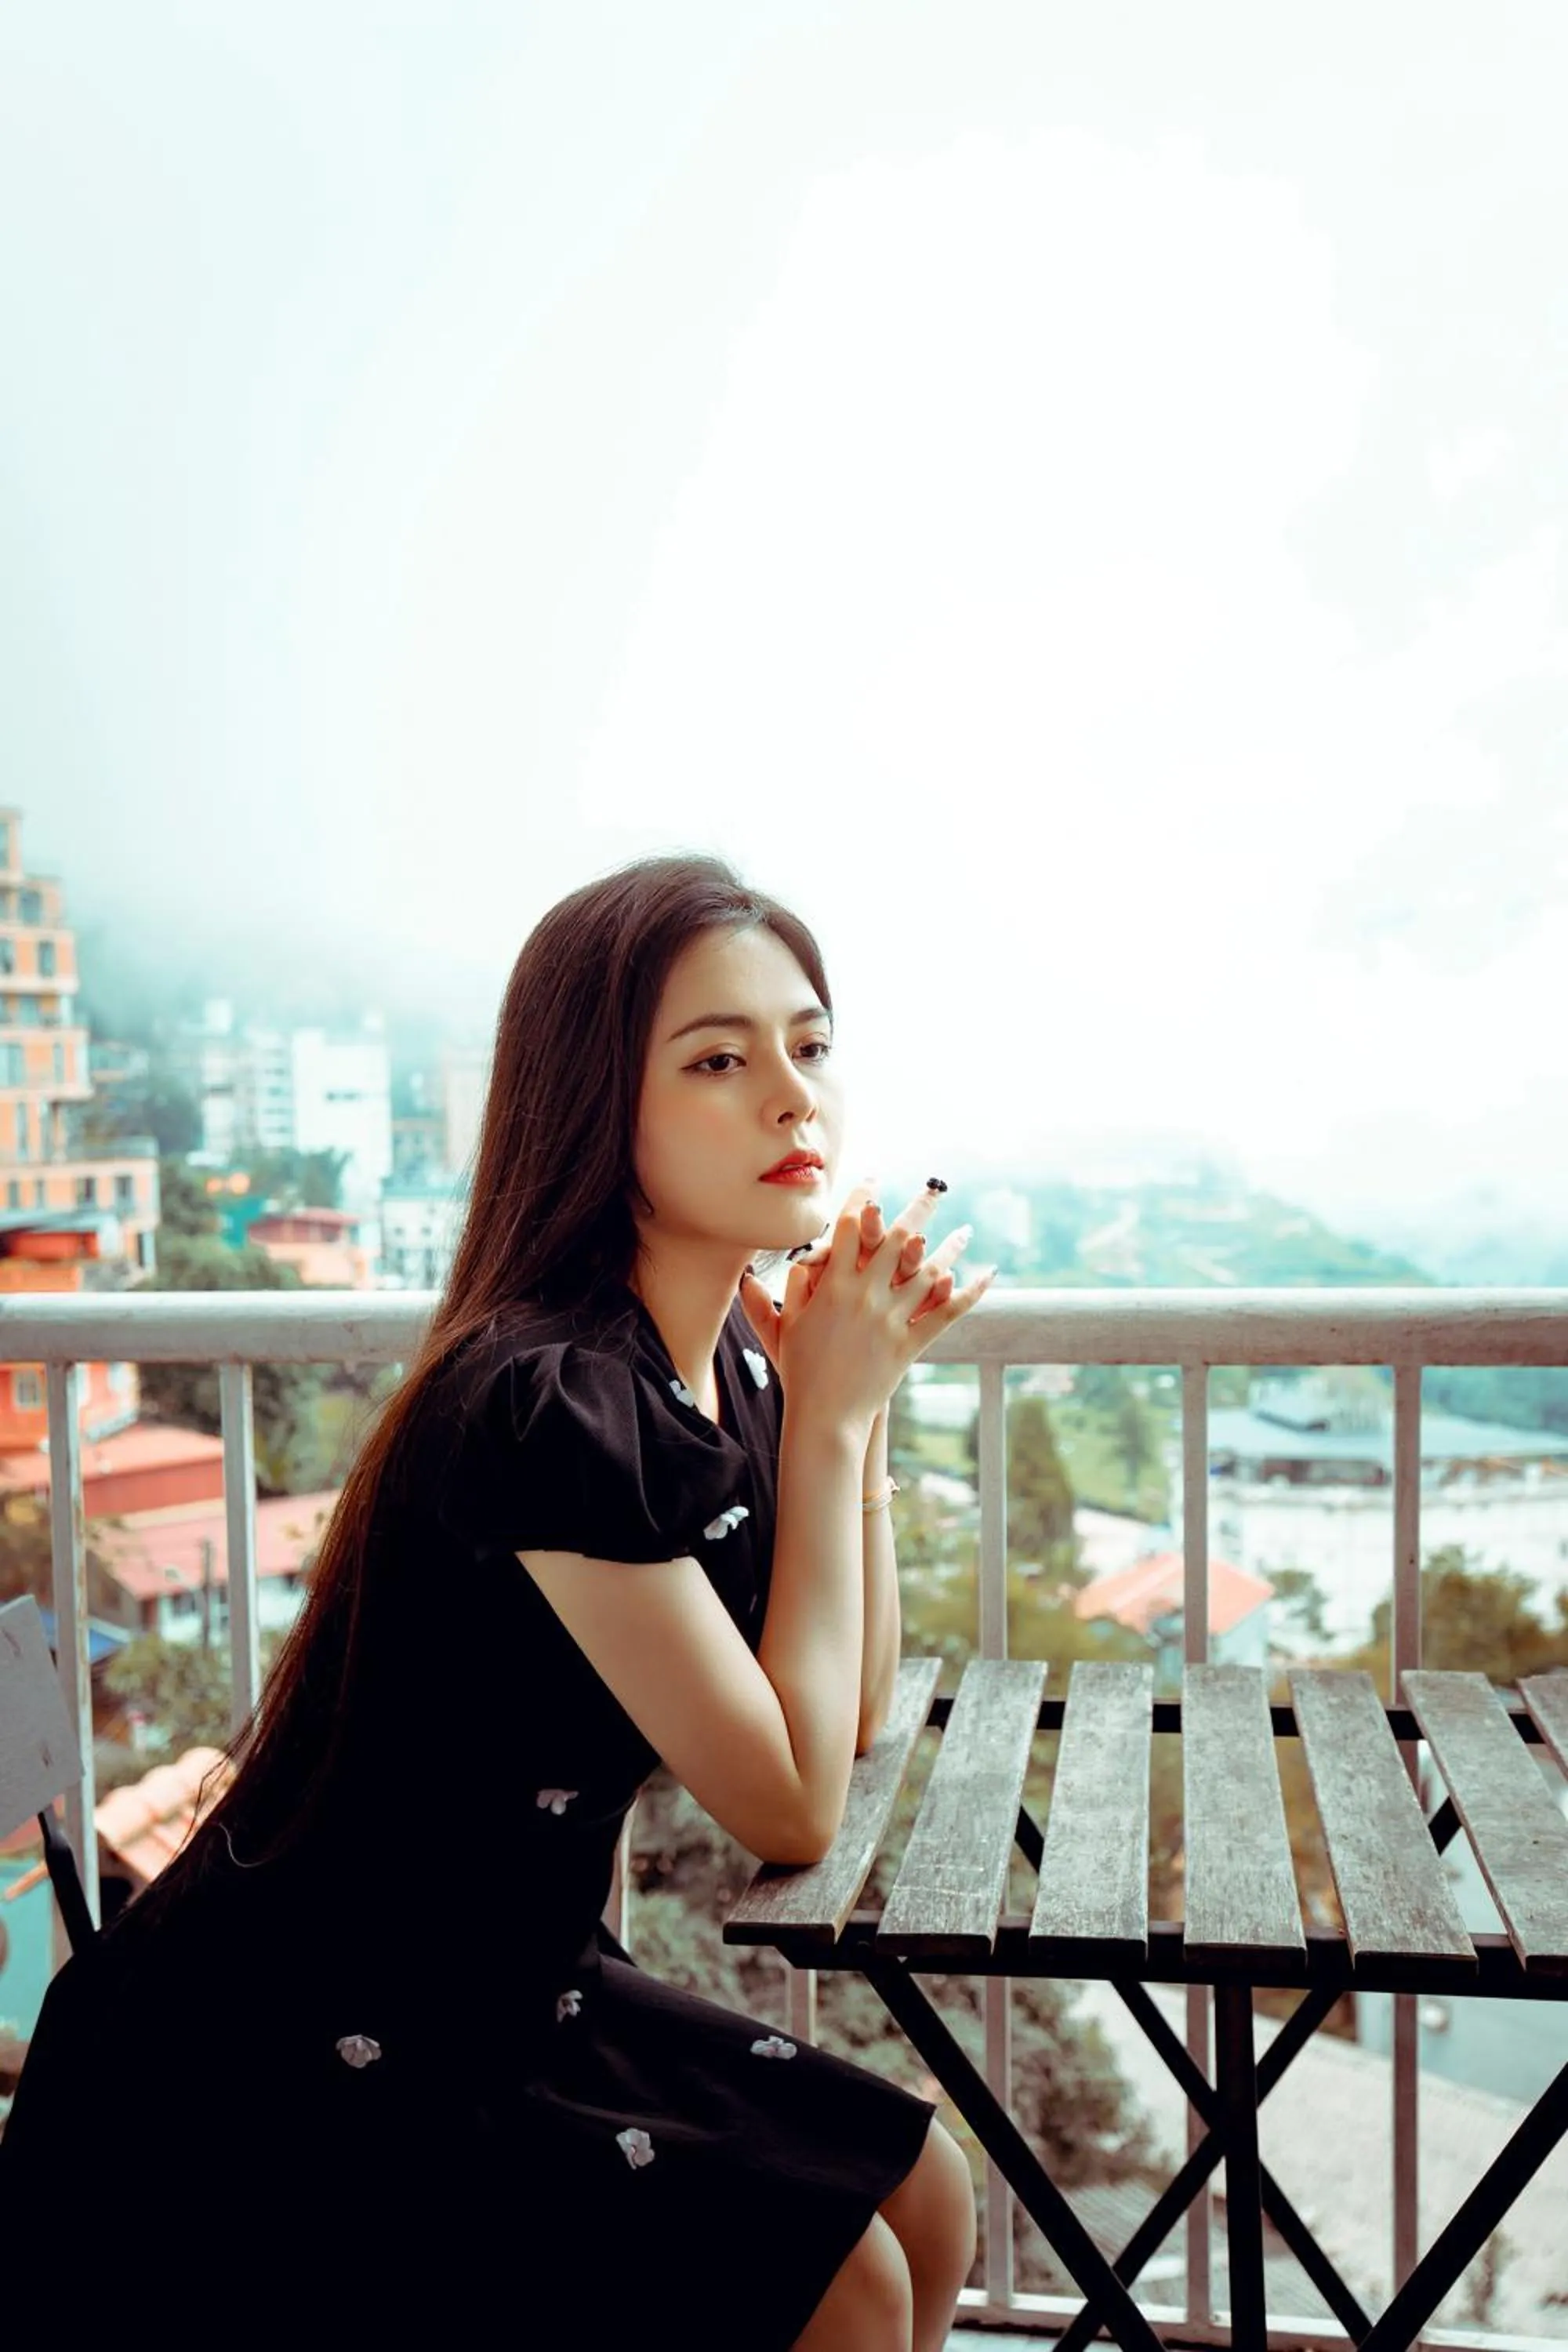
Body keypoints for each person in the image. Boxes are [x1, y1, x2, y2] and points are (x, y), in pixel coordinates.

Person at [0, 854, 995, 2350]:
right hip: (273, 2045)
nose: (795, 1097)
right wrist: (843, 1418)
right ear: (602, 1103)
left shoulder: (721, 1368)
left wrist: (834, 1417)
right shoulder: (551, 1404)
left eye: (810, 1043)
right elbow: (789, 1812)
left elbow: (842, 1720)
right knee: (842, 2282)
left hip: (514, 1981)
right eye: (719, 1060)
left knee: (930, 2186)